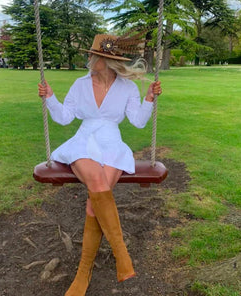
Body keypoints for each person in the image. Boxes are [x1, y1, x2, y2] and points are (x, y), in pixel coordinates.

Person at [38, 34, 162, 296]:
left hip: (112, 144)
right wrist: (50, 97)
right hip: (83, 141)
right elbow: (64, 118)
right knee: (97, 183)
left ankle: (84, 272)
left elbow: (138, 122)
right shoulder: (80, 84)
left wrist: (149, 98)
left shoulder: (127, 88)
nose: (89, 59)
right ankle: (121, 255)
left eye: (93, 55)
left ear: (105, 60)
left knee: (95, 199)